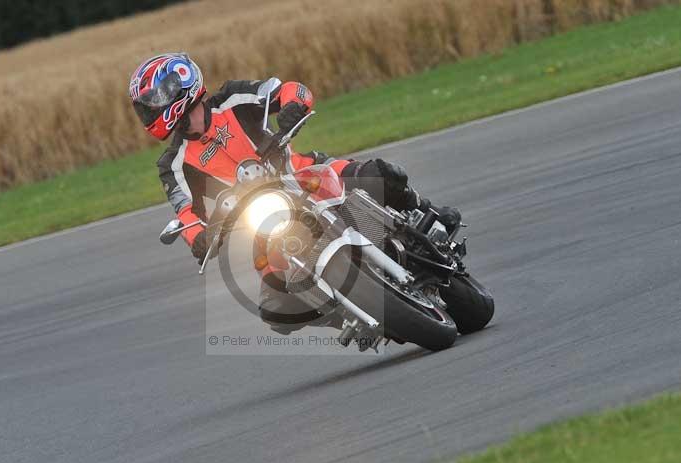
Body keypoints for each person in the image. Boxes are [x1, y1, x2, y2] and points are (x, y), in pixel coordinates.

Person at [130, 53, 460, 332]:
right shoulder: (173, 164)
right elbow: (185, 210)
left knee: (381, 174)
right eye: (144, 108)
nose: (149, 112)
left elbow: (289, 89)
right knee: (276, 309)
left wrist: (291, 106)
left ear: (177, 87)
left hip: (306, 175)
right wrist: (198, 239)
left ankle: (427, 215)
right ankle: (349, 313)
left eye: (152, 102)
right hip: (264, 221)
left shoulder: (232, 99)